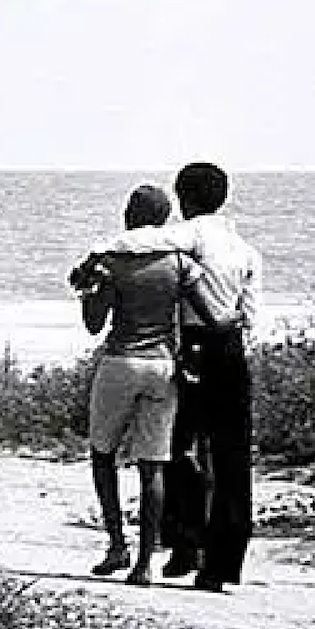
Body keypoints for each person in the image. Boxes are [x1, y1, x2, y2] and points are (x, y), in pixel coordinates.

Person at [75, 162, 262, 592]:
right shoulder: (246, 250)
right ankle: (220, 564)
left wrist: (95, 259)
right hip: (231, 347)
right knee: (231, 457)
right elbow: (247, 314)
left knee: (173, 449)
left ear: (185, 198)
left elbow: (143, 237)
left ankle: (181, 545)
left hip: (194, 348)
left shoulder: (188, 235)